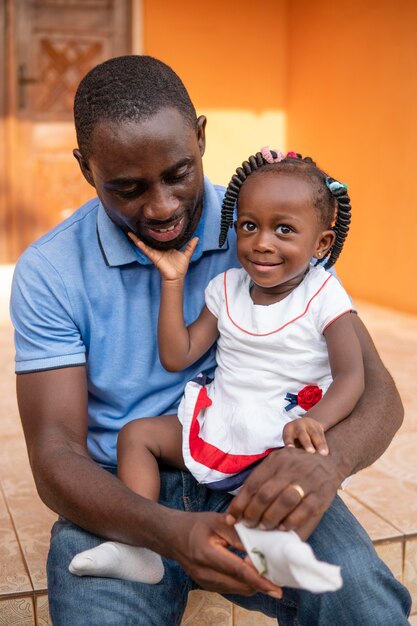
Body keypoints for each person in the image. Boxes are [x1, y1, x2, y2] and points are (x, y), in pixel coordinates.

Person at [9, 55, 411, 625]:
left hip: (252, 482)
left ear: (200, 136)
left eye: (178, 173)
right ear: (85, 168)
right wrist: (168, 532)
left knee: (361, 605)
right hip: (125, 501)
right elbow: (55, 454)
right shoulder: (51, 271)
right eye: (127, 187)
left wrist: (330, 462)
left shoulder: (271, 220)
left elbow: (376, 393)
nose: (163, 206)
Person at [68, 148, 365, 588]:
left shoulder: (325, 296)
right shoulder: (226, 287)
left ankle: (278, 557)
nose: (262, 242)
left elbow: (352, 376)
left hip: (281, 431)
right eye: (249, 226)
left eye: (284, 229)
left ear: (321, 243)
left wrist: (315, 423)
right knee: (137, 435)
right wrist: (173, 281)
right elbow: (178, 354)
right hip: (222, 418)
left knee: (274, 488)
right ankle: (140, 548)